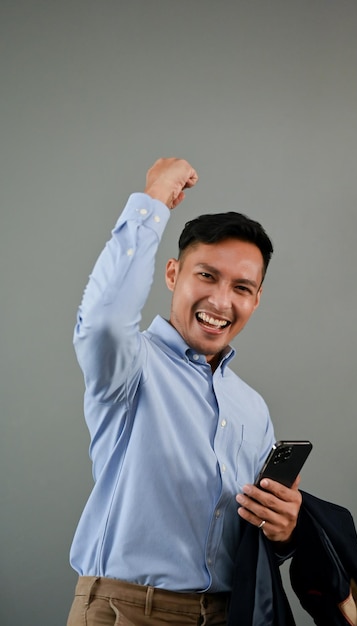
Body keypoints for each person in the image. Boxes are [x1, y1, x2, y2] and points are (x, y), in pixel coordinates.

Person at [67, 157, 302, 626]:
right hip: (126, 611)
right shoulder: (131, 366)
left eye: (241, 287)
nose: (221, 301)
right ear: (172, 274)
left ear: (256, 300)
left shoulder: (253, 409)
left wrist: (284, 530)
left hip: (229, 614)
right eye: (206, 275)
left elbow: (252, 544)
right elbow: (104, 321)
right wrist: (152, 202)